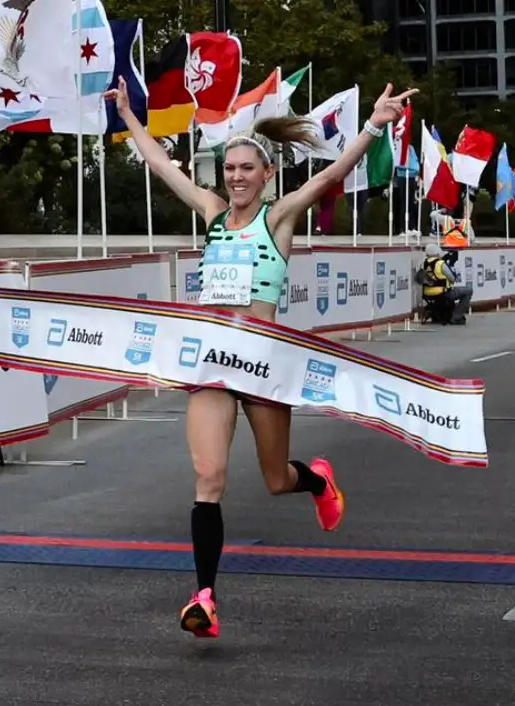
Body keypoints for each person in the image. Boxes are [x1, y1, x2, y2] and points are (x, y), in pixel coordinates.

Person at [105, 77, 417, 639]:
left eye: (247, 169)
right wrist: (129, 117)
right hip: (211, 368)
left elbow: (330, 175)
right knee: (209, 475)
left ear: (267, 175)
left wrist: (374, 123)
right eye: (229, 169)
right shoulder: (211, 213)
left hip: (263, 367)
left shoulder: (278, 218)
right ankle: (204, 597)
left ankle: (316, 481)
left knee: (276, 480)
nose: (236, 177)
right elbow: (162, 166)